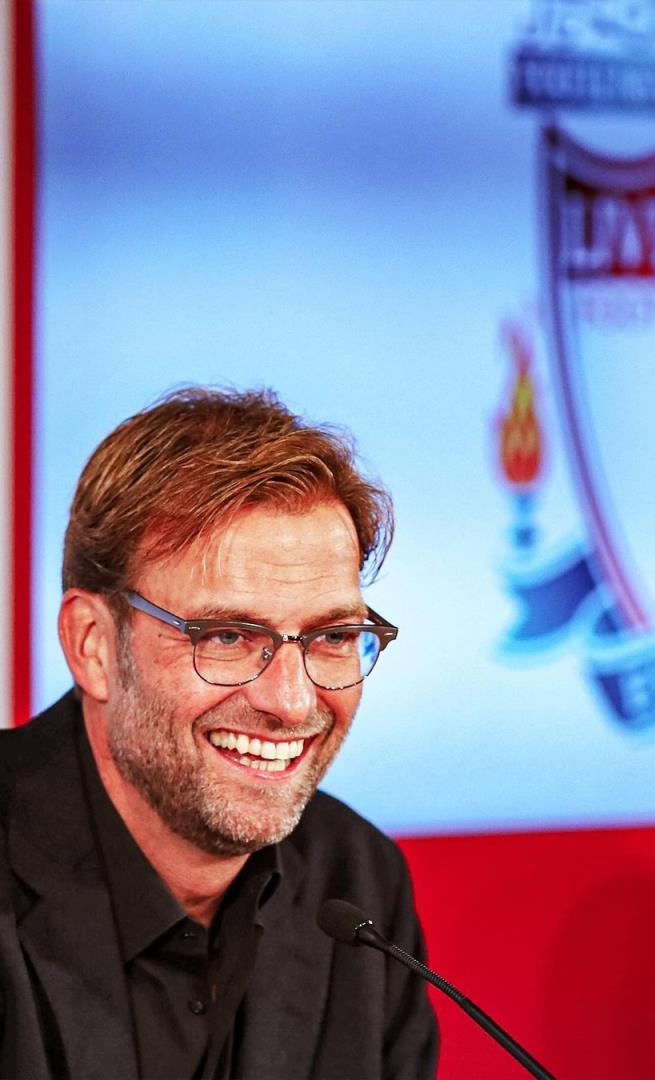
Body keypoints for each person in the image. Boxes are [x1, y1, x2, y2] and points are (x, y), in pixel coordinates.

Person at [0, 387, 439, 1079]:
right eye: (228, 636)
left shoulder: (357, 883)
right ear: (93, 645)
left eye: (331, 636)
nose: (291, 702)